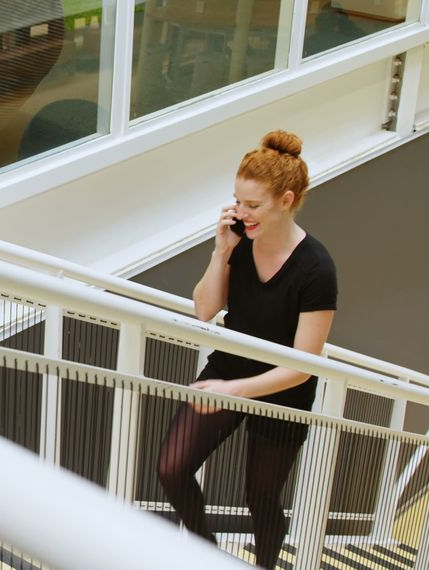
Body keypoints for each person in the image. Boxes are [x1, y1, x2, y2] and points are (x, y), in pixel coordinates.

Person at [156, 130, 337, 569]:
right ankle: (209, 554)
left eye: (252, 205)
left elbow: (302, 368)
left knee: (261, 498)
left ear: (287, 200)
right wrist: (221, 253)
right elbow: (204, 310)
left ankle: (266, 565)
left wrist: (235, 392)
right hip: (230, 368)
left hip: (283, 388)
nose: (240, 212)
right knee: (171, 467)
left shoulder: (316, 269)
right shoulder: (239, 243)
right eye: (237, 201)